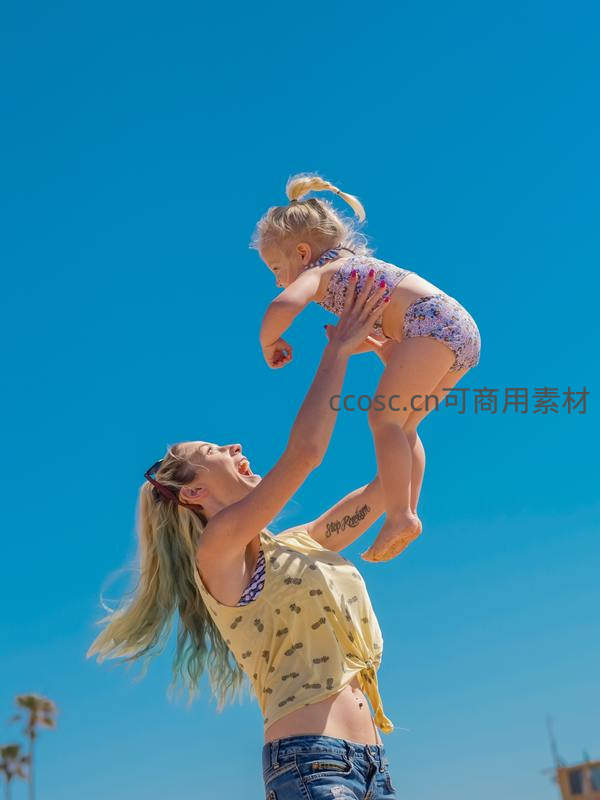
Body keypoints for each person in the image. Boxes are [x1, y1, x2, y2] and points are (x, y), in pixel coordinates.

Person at [87, 277, 399, 799]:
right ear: (193, 493)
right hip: (313, 765)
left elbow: (391, 485)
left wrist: (404, 379)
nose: (234, 445)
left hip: (373, 768)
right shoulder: (219, 551)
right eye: (214, 450)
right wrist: (338, 349)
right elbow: (305, 454)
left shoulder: (301, 545)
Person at [253, 171, 481, 562]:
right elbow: (388, 315)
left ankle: (401, 515)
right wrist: (374, 344)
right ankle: (405, 512)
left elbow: (283, 306)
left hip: (429, 326)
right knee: (404, 425)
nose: (277, 281)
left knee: (383, 419)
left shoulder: (320, 273)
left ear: (303, 253)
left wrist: (269, 342)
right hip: (456, 332)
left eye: (276, 268)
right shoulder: (354, 267)